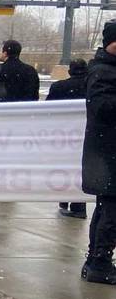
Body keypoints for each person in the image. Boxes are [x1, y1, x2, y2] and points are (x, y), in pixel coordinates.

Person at [81, 20, 116, 285]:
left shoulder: (104, 68)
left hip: (106, 152)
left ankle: (96, 260)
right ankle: (100, 263)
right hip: (108, 153)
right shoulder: (103, 71)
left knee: (106, 208)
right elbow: (102, 108)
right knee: (111, 211)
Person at [48, 58, 90, 219]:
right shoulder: (93, 87)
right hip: (87, 133)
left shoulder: (59, 87)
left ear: (70, 71)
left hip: (63, 134)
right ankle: (79, 204)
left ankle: (65, 198)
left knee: (65, 167)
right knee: (81, 169)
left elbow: (48, 109)